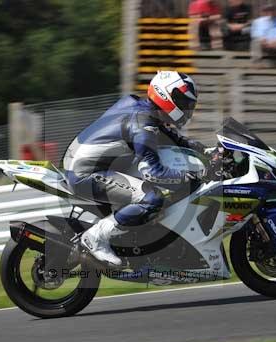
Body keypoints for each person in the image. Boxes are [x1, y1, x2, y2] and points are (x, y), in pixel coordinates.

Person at [63, 71, 205, 266]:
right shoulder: (142, 124)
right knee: (151, 198)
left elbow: (172, 137)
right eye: (183, 102)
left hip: (86, 164)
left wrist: (205, 151)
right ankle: (96, 238)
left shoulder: (142, 109)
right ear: (166, 96)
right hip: (85, 173)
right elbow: (152, 172)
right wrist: (189, 176)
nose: (187, 109)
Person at [250, 3, 276, 69]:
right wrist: (262, 40)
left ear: (275, 11)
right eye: (268, 10)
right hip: (263, 44)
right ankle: (256, 63)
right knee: (255, 42)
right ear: (263, 12)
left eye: (272, 10)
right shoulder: (257, 22)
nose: (270, 12)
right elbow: (254, 34)